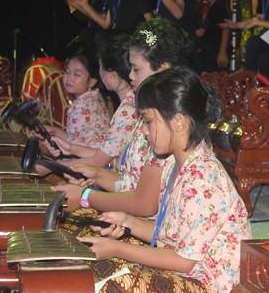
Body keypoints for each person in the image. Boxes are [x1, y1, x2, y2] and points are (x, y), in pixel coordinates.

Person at [78, 67, 251, 293]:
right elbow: (168, 234)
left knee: (114, 282)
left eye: (148, 121)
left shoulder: (202, 179)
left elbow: (183, 260)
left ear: (178, 122)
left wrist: (116, 249)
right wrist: (127, 221)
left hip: (208, 284)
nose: (144, 132)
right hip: (186, 271)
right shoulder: (173, 163)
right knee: (98, 264)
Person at [52, 18, 195, 217]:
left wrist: (86, 197)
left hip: (156, 232)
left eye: (136, 69)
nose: (129, 75)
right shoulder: (148, 115)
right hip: (137, 221)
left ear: (162, 69)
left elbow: (145, 204)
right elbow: (130, 183)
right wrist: (97, 175)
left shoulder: (168, 123)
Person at [47, 35, 139, 170]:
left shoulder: (127, 111)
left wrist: (51, 166)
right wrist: (71, 148)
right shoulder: (128, 103)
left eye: (101, 67)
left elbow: (98, 161)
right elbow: (107, 153)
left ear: (112, 74)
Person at [39, 54, 109, 150]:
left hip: (87, 162)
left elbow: (73, 149)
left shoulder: (83, 107)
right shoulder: (94, 96)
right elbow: (74, 139)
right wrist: (54, 130)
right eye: (67, 72)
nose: (69, 78)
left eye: (77, 74)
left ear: (92, 82)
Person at [192, 0, 230, 73]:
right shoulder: (208, 6)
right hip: (208, 49)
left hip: (215, 51)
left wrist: (222, 52)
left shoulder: (219, 6)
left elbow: (225, 28)